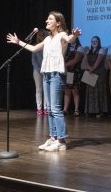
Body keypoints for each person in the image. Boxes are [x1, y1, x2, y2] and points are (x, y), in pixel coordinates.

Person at [6, 11, 81, 152]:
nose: (46, 21)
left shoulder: (62, 35)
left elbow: (70, 39)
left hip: (56, 74)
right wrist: (18, 42)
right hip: (46, 74)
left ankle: (61, 141)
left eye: (50, 19)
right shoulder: (47, 39)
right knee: (50, 109)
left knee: (56, 109)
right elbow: (34, 48)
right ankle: (53, 138)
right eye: (47, 19)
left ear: (58, 22)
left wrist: (75, 35)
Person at [81, 36, 109, 117]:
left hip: (99, 73)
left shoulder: (101, 50)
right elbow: (85, 61)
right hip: (90, 72)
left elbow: (98, 61)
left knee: (99, 92)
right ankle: (90, 110)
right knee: (90, 92)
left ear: (98, 42)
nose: (94, 42)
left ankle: (100, 112)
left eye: (96, 41)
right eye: (92, 41)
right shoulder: (88, 50)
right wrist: (89, 68)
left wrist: (92, 69)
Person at [63, 37, 85, 116]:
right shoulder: (67, 46)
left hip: (75, 71)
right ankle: (65, 109)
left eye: (73, 38)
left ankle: (76, 110)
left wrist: (64, 65)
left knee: (74, 90)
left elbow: (76, 60)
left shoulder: (80, 48)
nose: (71, 39)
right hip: (68, 72)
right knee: (67, 90)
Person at [31, 29, 49, 116]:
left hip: (47, 70)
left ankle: (46, 107)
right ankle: (39, 108)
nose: (41, 36)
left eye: (43, 35)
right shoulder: (35, 46)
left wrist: (45, 69)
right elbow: (33, 60)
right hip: (37, 70)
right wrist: (39, 69)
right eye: (40, 35)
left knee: (46, 89)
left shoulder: (48, 45)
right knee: (38, 89)